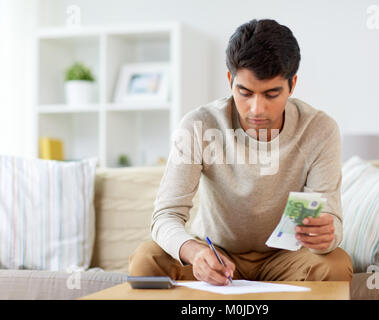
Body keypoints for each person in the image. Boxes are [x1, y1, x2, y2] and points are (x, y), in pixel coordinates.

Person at [129, 19, 353, 286]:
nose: (256, 109)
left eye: (271, 94)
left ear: (292, 85)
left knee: (336, 264)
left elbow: (332, 221)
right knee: (147, 259)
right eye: (245, 92)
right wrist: (195, 252)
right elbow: (165, 216)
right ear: (229, 80)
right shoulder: (199, 125)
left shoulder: (319, 129)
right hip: (215, 254)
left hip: (287, 259)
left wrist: (326, 235)